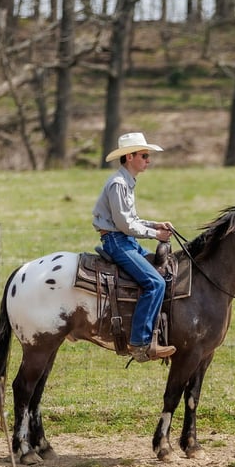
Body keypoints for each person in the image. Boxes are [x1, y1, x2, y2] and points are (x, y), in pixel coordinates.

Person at [92, 132, 177, 363]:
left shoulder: (126, 182)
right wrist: (155, 234)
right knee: (155, 282)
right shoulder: (118, 184)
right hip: (117, 242)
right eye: (144, 155)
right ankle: (139, 343)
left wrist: (154, 224)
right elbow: (125, 225)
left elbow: (132, 219)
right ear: (129, 157)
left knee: (164, 272)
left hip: (125, 240)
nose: (148, 160)